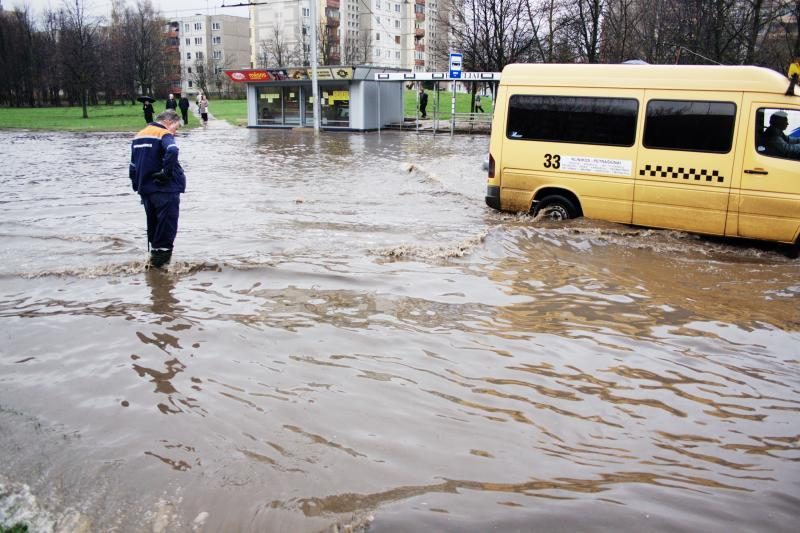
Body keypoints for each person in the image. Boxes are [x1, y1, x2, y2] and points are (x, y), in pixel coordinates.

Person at [129, 109, 186, 268]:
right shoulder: (163, 134)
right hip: (165, 190)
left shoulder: (139, 135)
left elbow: (132, 166)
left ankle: (153, 266)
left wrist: (138, 187)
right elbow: (172, 150)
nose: (175, 132)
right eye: (176, 128)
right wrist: (166, 173)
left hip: (146, 190)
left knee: (153, 228)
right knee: (166, 228)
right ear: (169, 122)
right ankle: (162, 269)